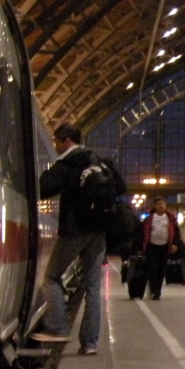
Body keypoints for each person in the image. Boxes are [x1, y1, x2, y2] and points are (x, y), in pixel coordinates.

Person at [30, 123, 126, 355]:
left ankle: (57, 328)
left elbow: (41, 188)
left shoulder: (67, 165)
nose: (55, 146)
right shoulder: (99, 161)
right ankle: (90, 344)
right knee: (93, 288)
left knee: (51, 277)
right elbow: (121, 186)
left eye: (56, 141)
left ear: (65, 140)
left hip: (75, 231)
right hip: (99, 232)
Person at [140, 197, 177, 300]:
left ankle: (157, 292)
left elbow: (176, 232)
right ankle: (152, 288)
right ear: (155, 206)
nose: (161, 206)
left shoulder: (170, 218)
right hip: (152, 246)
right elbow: (143, 233)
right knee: (152, 268)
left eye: (163, 204)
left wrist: (174, 244)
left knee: (161, 269)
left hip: (164, 247)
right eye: (159, 204)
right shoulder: (149, 219)